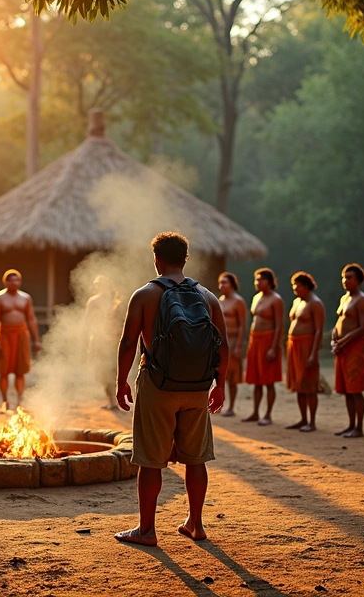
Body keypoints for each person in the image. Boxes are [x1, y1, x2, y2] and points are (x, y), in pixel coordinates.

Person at [113, 232, 228, 547]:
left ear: (156, 260)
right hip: (198, 388)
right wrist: (220, 386)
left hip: (158, 385)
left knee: (150, 459)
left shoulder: (144, 295)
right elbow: (225, 346)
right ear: (186, 259)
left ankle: (147, 530)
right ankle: (196, 523)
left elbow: (127, 343)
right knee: (196, 458)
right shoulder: (208, 296)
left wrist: (121, 381)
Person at [0, 269, 41, 413]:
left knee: (21, 371)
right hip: (5, 334)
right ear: (5, 282)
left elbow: (31, 318)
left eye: (17, 279)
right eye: (11, 280)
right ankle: (5, 401)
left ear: (20, 281)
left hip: (21, 334)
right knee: (4, 371)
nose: (14, 282)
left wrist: (36, 340)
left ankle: (20, 402)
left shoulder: (25, 298)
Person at [331, 264, 364, 438]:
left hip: (355, 347)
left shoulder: (362, 300)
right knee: (346, 390)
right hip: (342, 347)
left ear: (359, 280)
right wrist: (334, 338)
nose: (345, 281)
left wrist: (343, 340)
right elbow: (339, 322)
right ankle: (350, 424)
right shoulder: (344, 299)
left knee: (356, 388)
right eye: (344, 277)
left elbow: (363, 327)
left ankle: (359, 427)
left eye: (349, 277)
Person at [243, 268, 284, 426]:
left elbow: (279, 326)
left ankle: (267, 414)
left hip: (268, 341)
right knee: (256, 380)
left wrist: (274, 347)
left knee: (269, 380)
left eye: (260, 280)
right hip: (255, 340)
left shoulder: (276, 300)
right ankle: (255, 412)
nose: (257, 283)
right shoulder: (256, 298)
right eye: (256, 280)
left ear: (269, 281)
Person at [286, 272, 324, 432]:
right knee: (298, 384)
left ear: (306, 286)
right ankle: (303, 419)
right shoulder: (297, 302)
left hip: (307, 346)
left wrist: (313, 354)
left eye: (297, 285)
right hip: (294, 345)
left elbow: (318, 330)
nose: (294, 288)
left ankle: (312, 422)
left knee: (309, 384)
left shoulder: (315, 304)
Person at [85, 275, 123, 410]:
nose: (100, 287)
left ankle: (114, 400)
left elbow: (122, 323)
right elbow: (89, 322)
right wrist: (91, 338)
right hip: (99, 339)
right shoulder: (93, 302)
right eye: (98, 284)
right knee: (101, 371)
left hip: (113, 340)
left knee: (112, 370)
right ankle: (111, 398)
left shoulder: (117, 303)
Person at [217, 272, 247, 417]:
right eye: (220, 283)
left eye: (225, 282)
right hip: (220, 343)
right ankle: (219, 403)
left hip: (233, 342)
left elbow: (242, 325)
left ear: (232, 284)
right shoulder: (219, 301)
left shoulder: (238, 301)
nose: (222, 285)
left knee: (232, 378)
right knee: (218, 375)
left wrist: (238, 346)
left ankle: (232, 406)